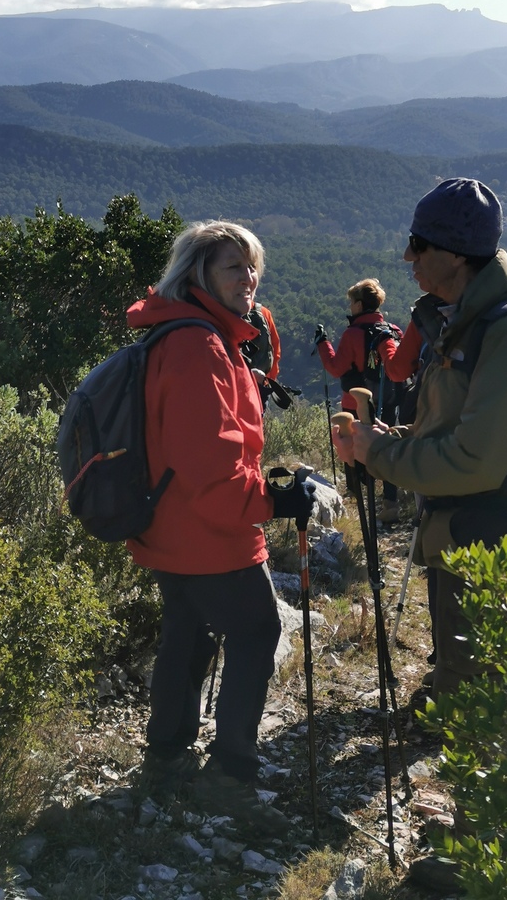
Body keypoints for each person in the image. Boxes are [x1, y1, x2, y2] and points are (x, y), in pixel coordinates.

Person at [332, 179, 507, 695]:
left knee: (479, 699)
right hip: (459, 528)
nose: (408, 255)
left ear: (456, 255)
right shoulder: (460, 321)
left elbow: (475, 460)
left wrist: (379, 452)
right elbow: (454, 426)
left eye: (420, 244)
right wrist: (392, 436)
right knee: (456, 671)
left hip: (494, 532)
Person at [125, 219, 315, 831]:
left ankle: (167, 759)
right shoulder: (199, 345)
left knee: (187, 634)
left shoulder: (179, 334)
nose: (249, 277)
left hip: (170, 528)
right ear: (199, 274)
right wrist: (272, 502)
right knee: (255, 634)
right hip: (211, 533)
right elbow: (212, 464)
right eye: (234, 267)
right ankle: (230, 777)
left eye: (252, 265)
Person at [315, 277, 403, 522]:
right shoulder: (393, 330)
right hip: (387, 400)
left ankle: (357, 507)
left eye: (352, 301)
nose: (350, 306)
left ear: (360, 304)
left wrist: (323, 344)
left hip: (355, 404)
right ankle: (390, 503)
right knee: (386, 447)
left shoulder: (353, 334)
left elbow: (335, 367)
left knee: (352, 451)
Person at [241, 300, 282, 408]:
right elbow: (275, 350)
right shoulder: (263, 312)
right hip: (260, 383)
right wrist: (268, 380)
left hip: (234, 382)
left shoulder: (222, 311)